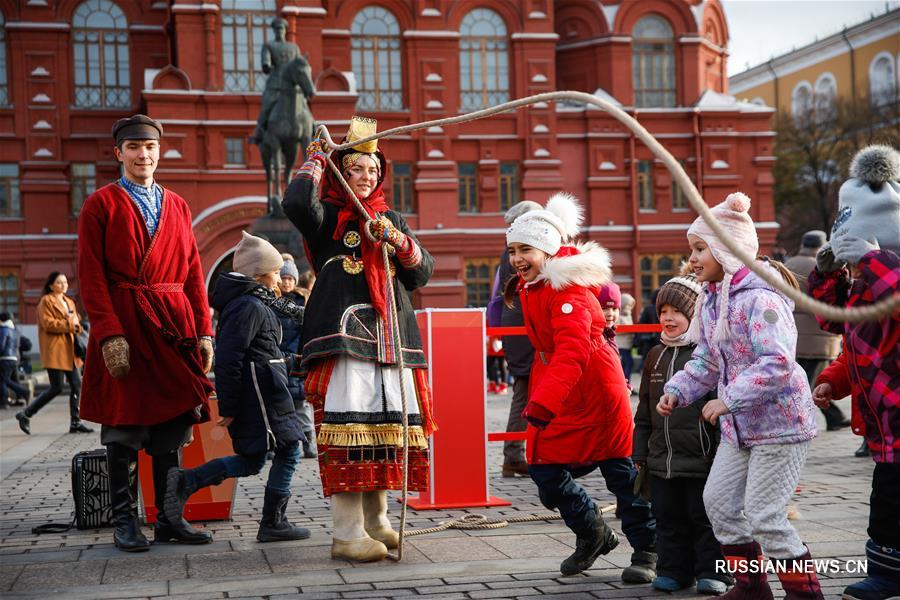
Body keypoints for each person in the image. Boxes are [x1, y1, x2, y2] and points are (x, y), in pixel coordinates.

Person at [282, 117, 436, 562]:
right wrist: (316, 157)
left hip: (392, 341)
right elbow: (295, 201)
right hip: (347, 340)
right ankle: (346, 532)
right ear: (340, 172)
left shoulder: (390, 217)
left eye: (372, 169)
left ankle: (377, 520)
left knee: (387, 431)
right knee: (349, 429)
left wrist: (398, 241)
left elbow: (422, 271)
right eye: (356, 169)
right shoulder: (325, 217)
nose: (366, 177)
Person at [657, 192, 823, 599]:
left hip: (781, 427)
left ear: (728, 251)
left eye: (700, 249)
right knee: (719, 504)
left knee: (767, 516)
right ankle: (751, 587)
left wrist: (729, 399)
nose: (693, 259)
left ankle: (805, 593)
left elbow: (779, 362)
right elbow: (709, 358)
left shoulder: (761, 299)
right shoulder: (713, 299)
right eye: (692, 249)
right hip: (740, 429)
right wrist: (678, 389)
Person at [77, 114, 215, 552]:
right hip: (126, 325)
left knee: (172, 428)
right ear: (119, 153)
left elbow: (193, 271)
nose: (143, 155)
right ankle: (125, 521)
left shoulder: (177, 204)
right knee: (125, 428)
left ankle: (169, 519)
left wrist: (204, 331)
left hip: (172, 327)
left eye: (150, 147)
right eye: (134, 147)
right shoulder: (100, 204)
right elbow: (91, 275)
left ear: (160, 151)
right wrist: (108, 334)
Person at [505, 192, 657, 582]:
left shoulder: (568, 293)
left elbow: (572, 353)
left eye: (527, 250)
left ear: (549, 251)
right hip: (561, 391)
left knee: (621, 476)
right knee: (544, 471)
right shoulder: (534, 284)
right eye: (513, 250)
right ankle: (593, 533)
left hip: (594, 394)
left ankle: (647, 550)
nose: (518, 258)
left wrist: (541, 405)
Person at [164, 233, 309, 543]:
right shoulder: (250, 306)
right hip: (262, 397)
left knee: (253, 459)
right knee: (290, 449)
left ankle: (188, 481)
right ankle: (273, 522)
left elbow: (263, 354)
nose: (278, 277)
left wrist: (296, 362)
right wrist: (228, 407)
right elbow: (229, 359)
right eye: (274, 271)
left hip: (266, 392)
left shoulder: (254, 303)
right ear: (258, 273)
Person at [807, 145, 900, 600]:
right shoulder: (865, 286)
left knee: (891, 504)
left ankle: (888, 573)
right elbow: (834, 321)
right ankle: (887, 571)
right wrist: (834, 379)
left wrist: (873, 260)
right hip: (884, 427)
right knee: (886, 505)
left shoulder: (887, 277)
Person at [633, 271, 731, 595]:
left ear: (694, 315)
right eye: (663, 311)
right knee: (667, 517)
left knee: (703, 518)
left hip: (701, 458)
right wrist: (641, 453)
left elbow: (719, 408)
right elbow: (644, 411)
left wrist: (719, 453)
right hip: (663, 459)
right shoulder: (654, 355)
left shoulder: (707, 357)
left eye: (677, 311)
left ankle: (713, 571)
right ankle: (674, 570)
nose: (668, 318)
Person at [491, 200, 541, 477]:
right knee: (524, 391)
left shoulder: (511, 250)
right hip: (524, 326)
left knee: (526, 391)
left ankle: (517, 454)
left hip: (518, 324)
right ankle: (514, 454)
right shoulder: (522, 251)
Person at [784, 230, 848, 431]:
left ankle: (833, 417)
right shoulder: (822, 267)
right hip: (819, 334)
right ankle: (798, 422)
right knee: (814, 383)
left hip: (794, 334)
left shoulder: (789, 265)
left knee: (802, 380)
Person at [15, 272, 93, 434]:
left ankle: (76, 422)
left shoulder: (69, 302)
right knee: (56, 387)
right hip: (56, 350)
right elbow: (48, 324)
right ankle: (26, 413)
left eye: (65, 282)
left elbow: (77, 320)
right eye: (59, 282)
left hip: (71, 350)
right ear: (51, 285)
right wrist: (71, 325)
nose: (63, 285)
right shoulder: (46, 301)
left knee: (77, 385)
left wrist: (75, 324)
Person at [276, 254, 317, 458]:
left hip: (296, 360)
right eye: (283, 278)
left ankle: (309, 443)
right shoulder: (272, 302)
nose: (286, 282)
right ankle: (291, 446)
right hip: (277, 361)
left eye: (290, 279)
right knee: (283, 408)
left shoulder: (301, 303)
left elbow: (304, 332)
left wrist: (293, 353)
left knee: (301, 407)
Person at [251, 18, 301, 144]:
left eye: (281, 28)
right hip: (274, 84)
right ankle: (260, 131)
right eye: (277, 29)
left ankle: (311, 129)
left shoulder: (293, 48)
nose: (279, 31)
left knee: (303, 105)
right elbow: (266, 61)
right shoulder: (269, 45)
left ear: (285, 30)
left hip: (291, 86)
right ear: (274, 30)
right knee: (267, 107)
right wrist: (266, 65)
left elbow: (300, 64)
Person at [1, 312, 30, 407]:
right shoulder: (14, 330)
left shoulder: (3, 330)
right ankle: (20, 397)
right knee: (12, 379)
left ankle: (5, 401)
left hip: (5, 358)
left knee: (4, 380)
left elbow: (1, 346)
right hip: (14, 358)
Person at [617, 293, 636, 387]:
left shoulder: (628, 315)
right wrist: (629, 330)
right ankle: (624, 384)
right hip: (621, 345)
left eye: (630, 305)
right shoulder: (618, 315)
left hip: (628, 344)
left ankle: (627, 385)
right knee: (628, 363)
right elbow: (616, 329)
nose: (629, 307)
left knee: (627, 364)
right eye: (628, 305)